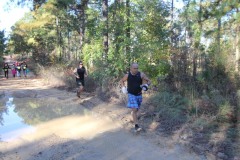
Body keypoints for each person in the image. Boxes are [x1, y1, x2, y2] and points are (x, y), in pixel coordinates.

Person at [119, 63, 151, 132]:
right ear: (131, 68)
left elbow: (149, 81)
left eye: (137, 68)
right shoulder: (127, 75)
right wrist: (123, 87)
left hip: (139, 94)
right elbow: (121, 81)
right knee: (134, 109)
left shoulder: (141, 74)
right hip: (131, 94)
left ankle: (133, 115)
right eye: (134, 68)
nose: (136, 70)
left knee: (136, 110)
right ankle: (136, 125)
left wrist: (146, 86)